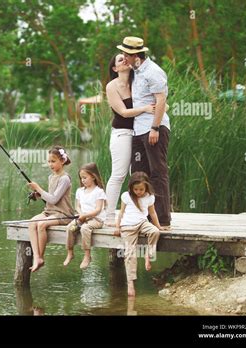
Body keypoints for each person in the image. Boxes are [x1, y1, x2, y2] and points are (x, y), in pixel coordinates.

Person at [117, 36, 172, 230]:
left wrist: (155, 127)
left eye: (125, 53)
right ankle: (142, 218)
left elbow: (161, 100)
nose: (123, 56)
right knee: (140, 174)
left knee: (158, 172)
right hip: (138, 130)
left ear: (134, 55)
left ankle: (163, 220)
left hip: (153, 128)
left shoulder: (153, 72)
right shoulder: (136, 71)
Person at [104, 53, 155, 226]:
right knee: (118, 175)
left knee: (139, 175)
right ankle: (109, 216)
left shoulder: (137, 81)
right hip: (122, 133)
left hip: (140, 132)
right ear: (115, 68)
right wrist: (146, 108)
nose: (124, 59)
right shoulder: (111, 86)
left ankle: (140, 215)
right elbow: (124, 113)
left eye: (125, 57)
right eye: (119, 59)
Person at [27, 146, 75, 272]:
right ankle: (36, 257)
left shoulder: (65, 178)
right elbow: (50, 198)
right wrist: (38, 194)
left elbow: (54, 199)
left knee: (41, 225)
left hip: (63, 214)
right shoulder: (50, 177)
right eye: (49, 161)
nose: (50, 164)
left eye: (53, 161)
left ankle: (41, 256)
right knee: (32, 223)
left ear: (62, 161)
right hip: (50, 212)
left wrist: (38, 188)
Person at [115, 171, 161, 297]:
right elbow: (121, 212)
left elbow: (152, 213)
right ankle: (130, 283)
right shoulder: (126, 196)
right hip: (128, 226)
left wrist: (158, 226)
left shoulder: (149, 197)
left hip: (142, 222)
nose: (138, 192)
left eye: (141, 189)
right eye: (135, 189)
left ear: (146, 187)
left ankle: (148, 254)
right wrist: (117, 227)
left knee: (155, 232)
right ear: (131, 188)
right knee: (130, 253)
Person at [63, 162, 106, 270]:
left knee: (85, 228)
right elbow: (77, 206)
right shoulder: (80, 191)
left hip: (96, 219)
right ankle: (70, 252)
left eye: (85, 177)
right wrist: (81, 214)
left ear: (93, 176)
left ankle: (87, 255)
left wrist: (86, 216)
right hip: (82, 217)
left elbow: (98, 209)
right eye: (81, 178)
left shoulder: (99, 191)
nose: (82, 180)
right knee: (70, 227)